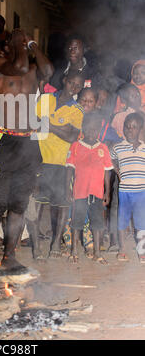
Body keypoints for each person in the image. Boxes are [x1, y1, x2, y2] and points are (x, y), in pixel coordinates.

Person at [0, 29, 53, 270]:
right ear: (9, 44)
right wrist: (20, 44)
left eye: (25, 42)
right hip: (5, 140)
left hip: (28, 142)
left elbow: (49, 71)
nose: (23, 45)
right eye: (19, 41)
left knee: (19, 203)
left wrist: (32, 43)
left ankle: (9, 256)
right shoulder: (0, 64)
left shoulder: (33, 69)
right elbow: (20, 66)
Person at [35, 71, 85, 258]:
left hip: (63, 162)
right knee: (38, 202)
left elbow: (72, 136)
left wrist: (48, 125)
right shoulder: (46, 99)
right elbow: (35, 124)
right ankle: (36, 244)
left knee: (62, 203)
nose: (74, 87)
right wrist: (60, 128)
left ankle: (55, 242)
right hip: (40, 159)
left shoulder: (77, 110)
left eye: (78, 86)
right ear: (64, 80)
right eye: (71, 82)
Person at [66, 112, 113, 264]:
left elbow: (107, 171)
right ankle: (74, 251)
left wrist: (107, 191)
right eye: (89, 128)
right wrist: (68, 188)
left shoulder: (103, 148)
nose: (92, 132)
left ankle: (97, 252)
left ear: (99, 129)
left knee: (98, 223)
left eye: (96, 129)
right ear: (83, 128)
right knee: (76, 221)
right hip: (80, 192)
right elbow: (69, 169)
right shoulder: (76, 146)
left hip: (97, 193)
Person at [110, 113, 145, 263]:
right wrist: (116, 169)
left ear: (140, 129)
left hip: (141, 192)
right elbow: (110, 158)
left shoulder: (144, 148)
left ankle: (142, 251)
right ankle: (122, 249)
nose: (130, 130)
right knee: (122, 221)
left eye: (134, 127)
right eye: (127, 127)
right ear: (123, 128)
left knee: (141, 223)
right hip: (124, 191)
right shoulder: (118, 147)